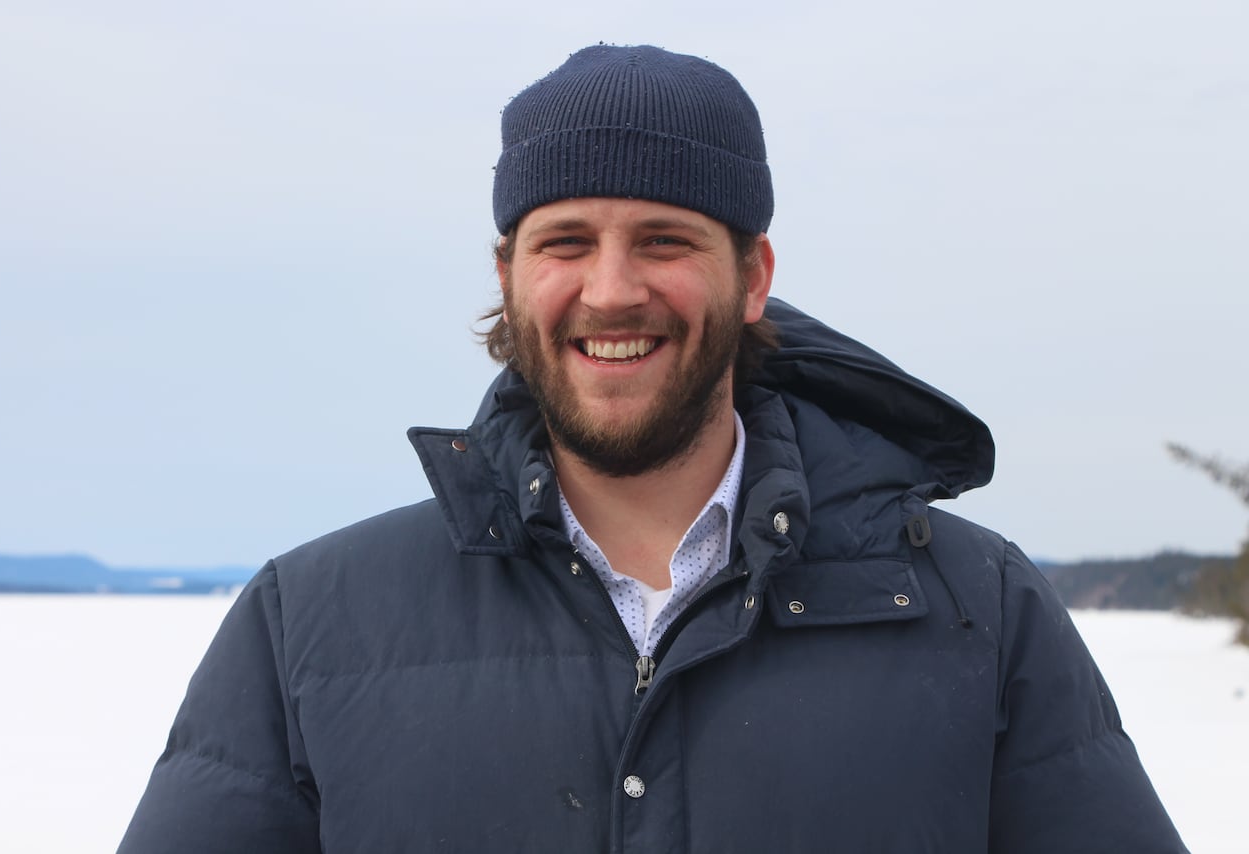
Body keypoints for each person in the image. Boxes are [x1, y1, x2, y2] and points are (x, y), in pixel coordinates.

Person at [118, 44, 1187, 853]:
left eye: (664, 239)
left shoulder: (975, 608)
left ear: (752, 273)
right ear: (507, 274)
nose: (612, 287)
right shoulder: (310, 623)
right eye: (565, 241)